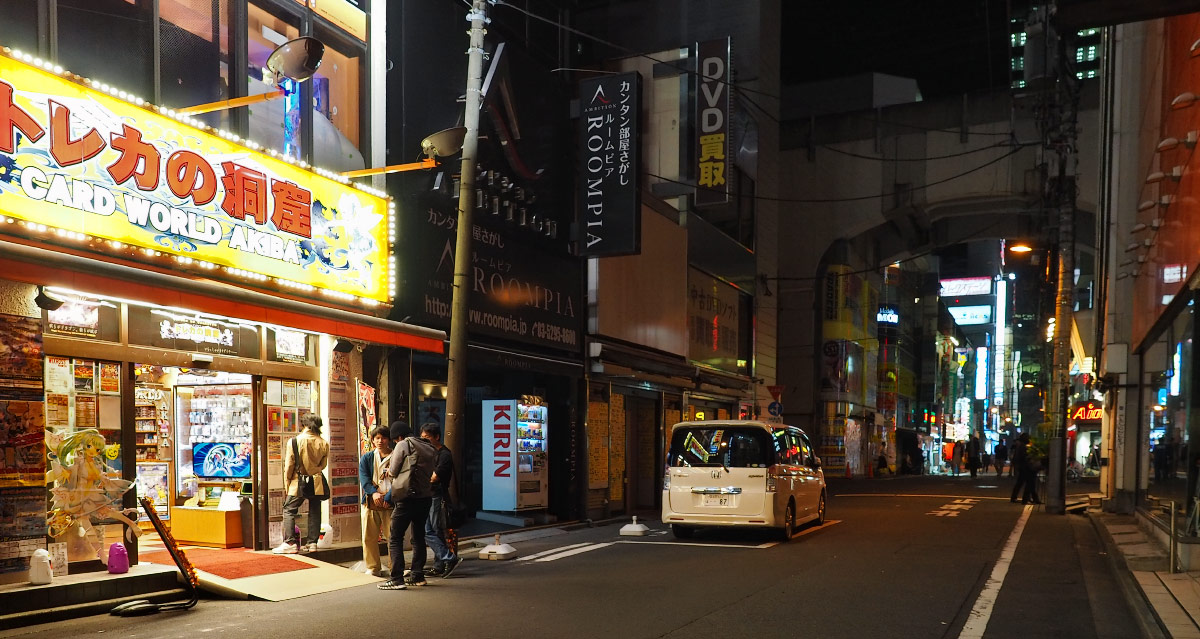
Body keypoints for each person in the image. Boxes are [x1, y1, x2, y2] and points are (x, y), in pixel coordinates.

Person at [378, 421, 438, 590]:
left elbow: (395, 471)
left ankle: (396, 578)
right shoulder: (428, 446)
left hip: (406, 498)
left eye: (394, 439)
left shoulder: (404, 444)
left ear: (398, 436)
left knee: (395, 537)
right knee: (418, 537)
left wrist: (387, 471)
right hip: (425, 498)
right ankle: (417, 575)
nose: (395, 442)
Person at [275, 413, 330, 554]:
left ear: (304, 424)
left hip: (298, 480)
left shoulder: (294, 441)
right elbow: (323, 465)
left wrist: (287, 482)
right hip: (316, 480)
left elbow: (289, 466)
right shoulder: (324, 443)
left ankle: (290, 542)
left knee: (289, 509)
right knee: (315, 509)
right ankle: (312, 543)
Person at [421, 424, 462, 578]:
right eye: (422, 438)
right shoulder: (427, 452)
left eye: (427, 438)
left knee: (429, 530)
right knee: (433, 530)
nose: (424, 441)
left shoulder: (444, 454)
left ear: (436, 437)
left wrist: (421, 477)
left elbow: (434, 477)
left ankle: (448, 558)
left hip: (437, 496)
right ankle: (440, 565)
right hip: (427, 495)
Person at [358, 425, 392, 577]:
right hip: (371, 502)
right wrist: (373, 493)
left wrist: (389, 496)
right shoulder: (367, 457)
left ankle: (395, 566)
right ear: (372, 440)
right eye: (377, 438)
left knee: (393, 536)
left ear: (389, 439)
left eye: (383, 437)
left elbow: (400, 479)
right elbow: (364, 478)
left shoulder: (396, 455)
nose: (380, 441)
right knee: (369, 535)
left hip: (390, 501)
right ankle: (373, 567)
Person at [1010, 433, 1040, 504]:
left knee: (1023, 483)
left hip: (1023, 467)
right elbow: (1023, 457)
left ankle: (1032, 498)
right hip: (1025, 467)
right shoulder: (1023, 446)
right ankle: (1026, 499)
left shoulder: (1020, 445)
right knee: (1029, 483)